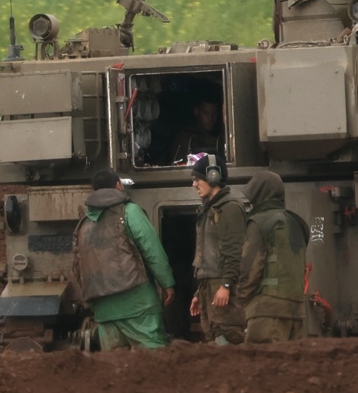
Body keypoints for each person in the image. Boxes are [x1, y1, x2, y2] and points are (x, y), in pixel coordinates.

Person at [72, 169, 176, 350]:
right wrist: (167, 283)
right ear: (118, 185)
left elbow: (77, 267)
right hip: (138, 305)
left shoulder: (84, 224)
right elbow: (152, 250)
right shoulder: (129, 212)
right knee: (154, 364)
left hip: (104, 312)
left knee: (117, 369)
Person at [237, 171, 308, 343]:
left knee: (262, 364)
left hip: (267, 311)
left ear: (259, 195)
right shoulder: (297, 222)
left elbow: (249, 269)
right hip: (296, 311)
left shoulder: (259, 222)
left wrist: (240, 298)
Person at [189, 154, 247, 345]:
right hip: (211, 288)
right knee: (215, 338)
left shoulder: (229, 209)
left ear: (213, 176)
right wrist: (200, 293)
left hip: (223, 287)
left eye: (197, 179)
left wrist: (226, 285)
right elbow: (209, 256)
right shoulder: (210, 209)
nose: (194, 184)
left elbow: (234, 253)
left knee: (227, 338)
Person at [170, 97, 223, 164]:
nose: (210, 118)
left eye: (214, 113)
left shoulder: (221, 136)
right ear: (196, 112)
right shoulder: (186, 137)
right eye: (206, 113)